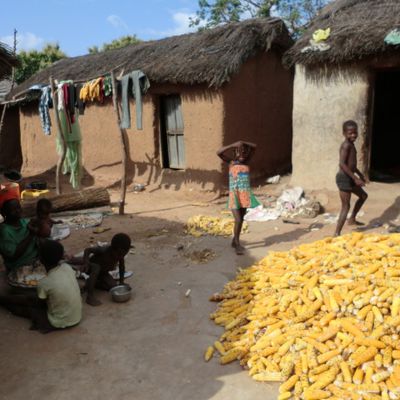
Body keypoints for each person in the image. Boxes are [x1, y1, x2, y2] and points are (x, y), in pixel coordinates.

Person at [0, 240, 82, 333]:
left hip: (59, 322)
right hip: (77, 316)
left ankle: (3, 301)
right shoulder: (67, 268)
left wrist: (26, 300)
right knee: (31, 298)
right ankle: (4, 299)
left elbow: (39, 305)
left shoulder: (45, 282)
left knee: (24, 309)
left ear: (41, 259)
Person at [217, 140, 260, 255]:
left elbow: (254, 146)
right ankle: (237, 245)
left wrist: (242, 143)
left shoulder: (247, 162)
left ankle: (234, 241)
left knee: (241, 220)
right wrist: (233, 144)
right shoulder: (231, 162)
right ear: (235, 153)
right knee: (238, 219)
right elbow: (219, 152)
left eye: (244, 152)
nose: (242, 155)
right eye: (239, 152)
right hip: (234, 196)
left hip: (244, 195)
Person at [334, 120, 368, 237]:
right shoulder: (346, 145)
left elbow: (352, 165)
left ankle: (352, 218)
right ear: (344, 133)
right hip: (344, 178)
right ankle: (337, 233)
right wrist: (355, 178)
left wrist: (360, 174)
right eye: (350, 133)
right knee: (345, 206)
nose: (353, 135)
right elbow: (342, 164)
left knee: (363, 196)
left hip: (350, 177)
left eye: (355, 133)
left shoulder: (352, 144)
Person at [81, 233, 131, 306]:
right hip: (91, 269)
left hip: (103, 273)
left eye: (123, 255)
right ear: (113, 249)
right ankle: (89, 297)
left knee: (113, 286)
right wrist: (86, 263)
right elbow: (87, 250)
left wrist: (121, 282)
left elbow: (122, 267)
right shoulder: (104, 250)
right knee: (96, 267)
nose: (121, 256)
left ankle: (91, 284)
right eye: (120, 254)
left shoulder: (120, 254)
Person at [0, 199, 39, 272]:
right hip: (18, 267)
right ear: (4, 213)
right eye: (13, 209)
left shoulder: (25, 222)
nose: (18, 211)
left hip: (35, 259)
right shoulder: (4, 231)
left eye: (18, 207)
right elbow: (13, 255)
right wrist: (31, 235)